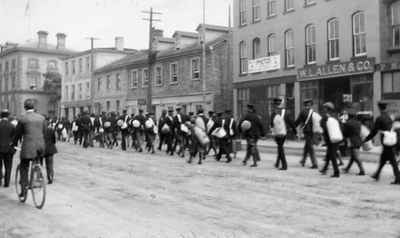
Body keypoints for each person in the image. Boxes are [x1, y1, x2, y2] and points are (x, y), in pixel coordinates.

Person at [14, 99, 46, 198]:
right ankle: (38, 179)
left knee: (24, 166)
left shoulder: (23, 119)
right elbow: (44, 131)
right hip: (40, 145)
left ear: (25, 107)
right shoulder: (41, 118)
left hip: (28, 147)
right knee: (37, 160)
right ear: (34, 107)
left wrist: (14, 143)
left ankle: (24, 190)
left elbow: (17, 134)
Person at [364, 101, 400, 184]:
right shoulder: (389, 117)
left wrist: (367, 139)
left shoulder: (380, 118)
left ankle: (398, 178)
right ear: (386, 108)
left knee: (393, 161)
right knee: (383, 159)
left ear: (379, 108)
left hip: (386, 141)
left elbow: (374, 131)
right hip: (391, 140)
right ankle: (377, 174)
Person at [270, 98, 297, 170]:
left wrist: (273, 133)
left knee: (280, 148)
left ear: (274, 104)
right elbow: (291, 122)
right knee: (280, 147)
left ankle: (284, 165)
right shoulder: (285, 112)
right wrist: (295, 131)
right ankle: (277, 163)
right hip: (284, 132)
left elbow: (271, 124)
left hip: (277, 133)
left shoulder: (273, 113)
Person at [320, 102, 341, 178]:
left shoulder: (325, 117)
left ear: (327, 109)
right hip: (336, 137)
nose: (324, 109)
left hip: (330, 138)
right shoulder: (335, 116)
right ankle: (324, 169)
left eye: (325, 108)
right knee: (329, 154)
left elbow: (323, 126)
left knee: (332, 155)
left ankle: (336, 172)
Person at [295, 99, 318, 169]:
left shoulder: (303, 112)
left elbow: (298, 121)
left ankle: (314, 163)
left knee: (310, 147)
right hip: (313, 131)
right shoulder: (313, 112)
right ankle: (303, 160)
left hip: (307, 131)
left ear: (305, 104)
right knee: (307, 146)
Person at [342, 108, 365, 176]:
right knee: (353, 156)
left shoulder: (348, 123)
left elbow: (345, 133)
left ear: (349, 116)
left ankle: (362, 170)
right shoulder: (359, 123)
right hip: (358, 140)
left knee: (356, 156)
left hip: (352, 141)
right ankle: (347, 168)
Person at [0, 109, 16, 187]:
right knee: (8, 167)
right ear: (8, 116)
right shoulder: (12, 126)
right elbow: (14, 139)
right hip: (9, 149)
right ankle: (7, 183)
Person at [43, 118, 57, 184]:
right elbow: (54, 140)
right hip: (51, 149)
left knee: (44, 163)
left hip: (43, 149)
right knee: (50, 164)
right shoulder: (51, 130)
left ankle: (40, 177)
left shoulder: (41, 130)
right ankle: (50, 177)